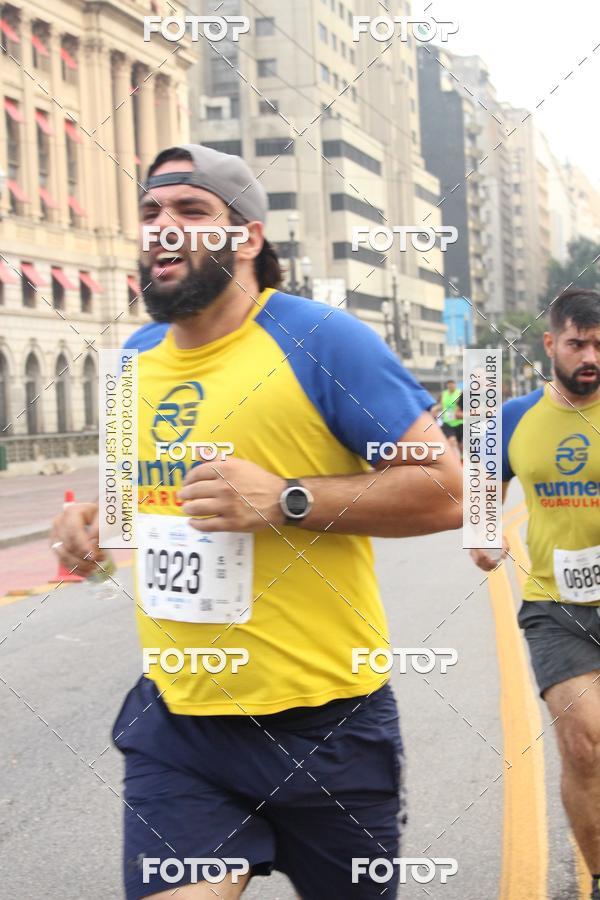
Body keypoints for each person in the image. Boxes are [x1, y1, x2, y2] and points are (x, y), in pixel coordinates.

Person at [51, 143, 463, 900]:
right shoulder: (130, 362)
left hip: (329, 729)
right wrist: (88, 536)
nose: (163, 227)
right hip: (181, 729)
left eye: (191, 209)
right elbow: (119, 520)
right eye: (150, 212)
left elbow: (449, 490)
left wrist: (286, 500)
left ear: (247, 238)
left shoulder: (322, 341)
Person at [471, 287, 600, 900]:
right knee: (585, 742)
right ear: (551, 344)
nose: (590, 356)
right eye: (578, 343)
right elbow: (478, 498)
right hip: (556, 607)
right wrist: (482, 534)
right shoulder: (513, 418)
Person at [439, 378, 463, 456]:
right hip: (447, 422)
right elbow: (442, 405)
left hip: (460, 422)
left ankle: (463, 461)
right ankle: (457, 463)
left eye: (452, 385)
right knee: (452, 441)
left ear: (455, 385)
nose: (451, 386)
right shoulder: (444, 394)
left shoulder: (460, 393)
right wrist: (435, 409)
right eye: (449, 385)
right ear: (447, 386)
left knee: (461, 445)